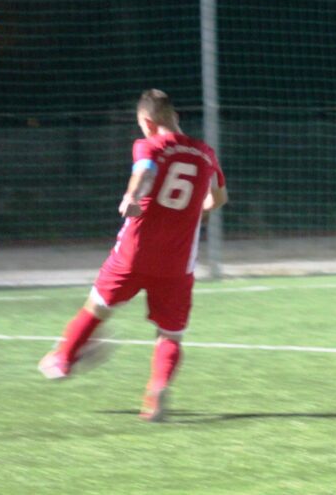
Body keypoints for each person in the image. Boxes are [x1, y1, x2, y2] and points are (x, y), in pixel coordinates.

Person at [38, 89, 228, 421]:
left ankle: (63, 358)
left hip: (134, 253)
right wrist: (198, 211)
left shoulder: (149, 145)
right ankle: (156, 392)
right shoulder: (205, 153)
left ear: (147, 122)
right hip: (177, 261)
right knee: (170, 334)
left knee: (97, 308)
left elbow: (143, 171)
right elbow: (220, 198)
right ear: (175, 117)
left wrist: (131, 196)